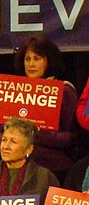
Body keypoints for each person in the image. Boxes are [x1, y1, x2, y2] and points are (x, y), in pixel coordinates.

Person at [10, 35, 78, 182]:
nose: (31, 64)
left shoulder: (64, 91)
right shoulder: (14, 92)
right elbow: (0, 136)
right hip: (17, 169)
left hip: (54, 169)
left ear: (49, 61)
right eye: (27, 59)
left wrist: (36, 133)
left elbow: (72, 138)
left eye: (37, 58)